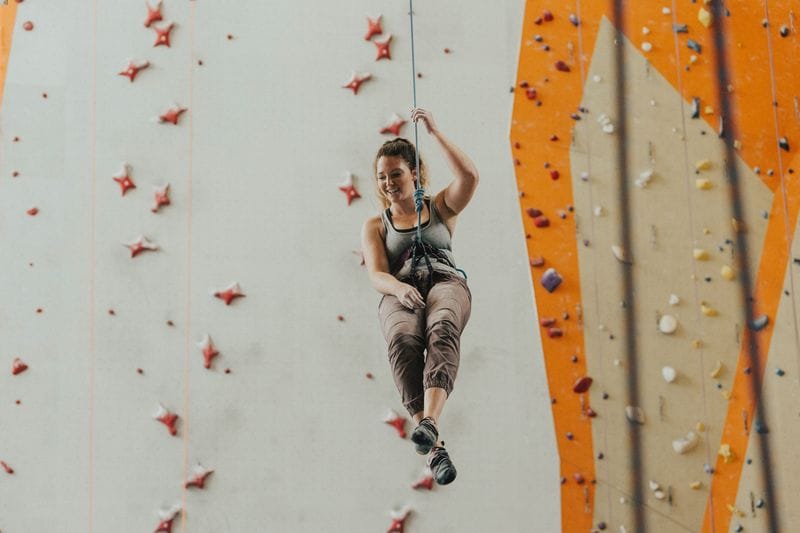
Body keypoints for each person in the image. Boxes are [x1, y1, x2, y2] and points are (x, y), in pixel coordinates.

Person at [360, 108, 479, 485]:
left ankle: (430, 421)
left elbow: (469, 177)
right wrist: (398, 288)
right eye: (382, 177)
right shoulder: (377, 224)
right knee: (402, 341)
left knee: (442, 326)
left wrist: (435, 132)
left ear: (413, 172)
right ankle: (435, 446)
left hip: (444, 281)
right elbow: (377, 273)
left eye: (396, 174)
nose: (389, 183)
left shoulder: (439, 206)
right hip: (403, 290)